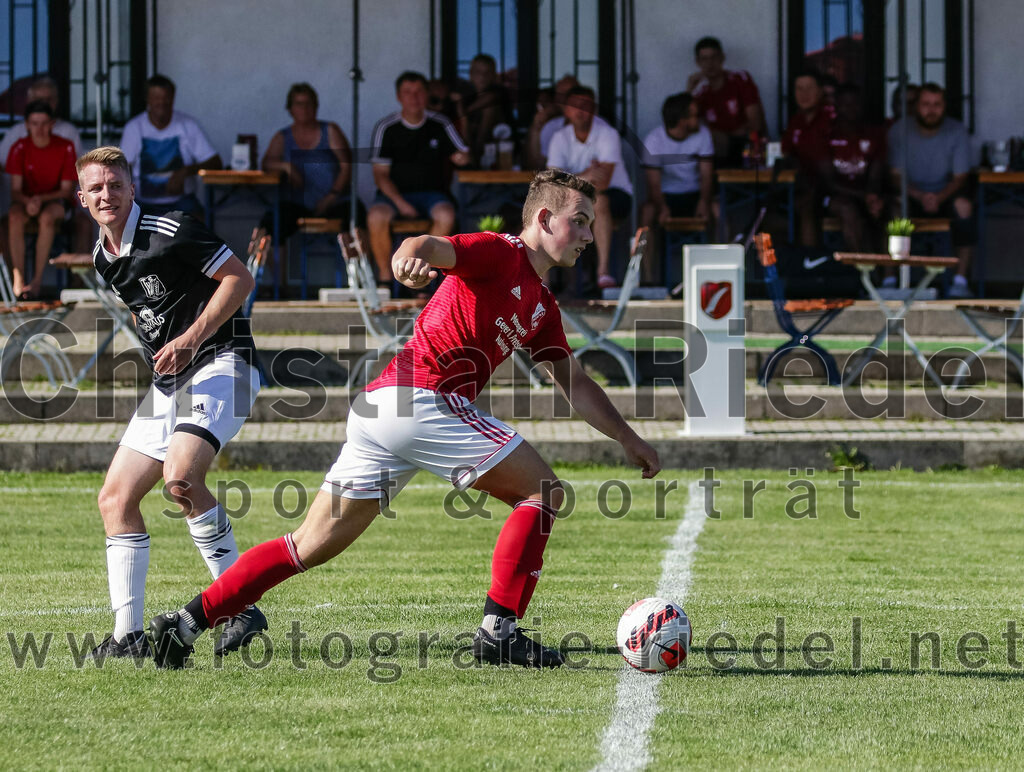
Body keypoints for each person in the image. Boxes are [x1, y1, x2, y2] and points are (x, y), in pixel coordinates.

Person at [148, 169, 661, 670]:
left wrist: (628, 437)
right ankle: (499, 634)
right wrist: (406, 259)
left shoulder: (542, 303)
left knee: (305, 545)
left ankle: (185, 623)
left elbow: (573, 382)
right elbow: (424, 246)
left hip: (384, 408)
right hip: (419, 398)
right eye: (581, 221)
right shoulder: (499, 251)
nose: (590, 236)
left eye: (592, 224)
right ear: (545, 218)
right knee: (542, 491)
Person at [74, 146, 266, 660]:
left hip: (225, 362)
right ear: (82, 198)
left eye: (115, 184)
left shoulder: (171, 228)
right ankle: (127, 639)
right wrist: (162, 344)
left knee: (180, 478)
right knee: (115, 499)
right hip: (171, 383)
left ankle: (241, 606)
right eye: (96, 188)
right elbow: (147, 308)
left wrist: (189, 337)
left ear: (132, 188)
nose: (107, 195)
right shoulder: (102, 255)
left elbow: (239, 279)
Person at [367, 71, 470, 283]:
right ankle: (387, 279)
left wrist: (461, 157)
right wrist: (401, 203)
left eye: (419, 92)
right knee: (376, 216)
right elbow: (380, 176)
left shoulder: (440, 123)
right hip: (393, 197)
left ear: (427, 95)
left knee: (446, 215)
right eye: (407, 92)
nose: (414, 98)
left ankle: (422, 276)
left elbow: (463, 154)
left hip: (433, 194)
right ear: (398, 97)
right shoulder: (386, 128)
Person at [888, 82, 974, 297]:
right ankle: (890, 279)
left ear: (945, 106)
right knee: (892, 209)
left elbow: (960, 177)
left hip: (945, 194)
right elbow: (896, 176)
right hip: (911, 195)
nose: (931, 110)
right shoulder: (899, 130)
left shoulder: (956, 130)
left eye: (937, 104)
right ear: (916, 105)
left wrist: (938, 197)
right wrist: (919, 195)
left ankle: (960, 281)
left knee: (964, 208)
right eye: (926, 104)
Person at [547, 85, 633, 290]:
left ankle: (603, 272)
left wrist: (568, 178)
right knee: (546, 209)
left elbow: (602, 183)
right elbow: (551, 184)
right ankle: (545, 282)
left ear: (594, 109)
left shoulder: (607, 133)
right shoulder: (560, 137)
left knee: (600, 200)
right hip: (573, 198)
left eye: (585, 105)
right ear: (565, 110)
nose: (580, 111)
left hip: (616, 196)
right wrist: (586, 174)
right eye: (574, 106)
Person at [258, 83, 365, 245]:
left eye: (309, 103)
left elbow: (347, 165)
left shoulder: (330, 131)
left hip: (335, 201)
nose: (304, 108)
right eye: (299, 104)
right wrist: (287, 166)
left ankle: (359, 269)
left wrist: (332, 196)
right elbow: (266, 163)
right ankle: (275, 271)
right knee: (270, 226)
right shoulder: (283, 137)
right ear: (290, 109)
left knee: (358, 218)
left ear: (316, 106)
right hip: (299, 205)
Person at [120, 74, 222, 217]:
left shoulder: (188, 125)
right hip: (142, 203)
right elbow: (122, 168)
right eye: (156, 98)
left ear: (173, 98)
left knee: (199, 225)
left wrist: (185, 171)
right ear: (147, 99)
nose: (162, 102)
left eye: (166, 98)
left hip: (182, 202)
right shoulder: (134, 128)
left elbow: (215, 162)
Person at [4, 100, 76, 299]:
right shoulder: (19, 147)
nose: (39, 129)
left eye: (44, 123)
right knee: (14, 216)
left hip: (56, 203)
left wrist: (38, 200)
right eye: (34, 123)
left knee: (47, 217)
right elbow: (15, 191)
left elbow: (66, 190)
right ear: (26, 124)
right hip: (27, 202)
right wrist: (29, 202)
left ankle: (36, 282)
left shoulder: (66, 147)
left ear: (52, 124)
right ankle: (18, 279)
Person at [640, 92, 713, 283]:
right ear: (682, 120)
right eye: (694, 115)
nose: (699, 119)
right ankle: (648, 280)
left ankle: (717, 274)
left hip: (694, 195)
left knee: (718, 211)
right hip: (666, 197)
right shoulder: (654, 140)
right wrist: (662, 207)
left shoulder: (703, 134)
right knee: (647, 213)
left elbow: (706, 175)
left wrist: (704, 202)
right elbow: (653, 183)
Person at [822, 84, 886, 253]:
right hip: (835, 198)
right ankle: (859, 270)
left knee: (888, 210)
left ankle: (888, 275)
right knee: (848, 209)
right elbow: (828, 183)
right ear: (836, 107)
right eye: (846, 104)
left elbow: (875, 176)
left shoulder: (873, 135)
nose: (851, 109)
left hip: (866, 196)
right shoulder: (827, 135)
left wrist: (872, 197)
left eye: (855, 104)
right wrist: (864, 197)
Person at [686, 36, 766, 166]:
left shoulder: (740, 79)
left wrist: (722, 136)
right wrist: (689, 90)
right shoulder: (701, 94)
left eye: (714, 57)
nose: (710, 63)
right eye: (704, 59)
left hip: (748, 148)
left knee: (714, 139)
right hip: (719, 154)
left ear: (722, 58)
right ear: (697, 62)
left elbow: (755, 124)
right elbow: (685, 125)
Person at [782, 69, 834, 246]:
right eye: (799, 88)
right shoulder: (795, 121)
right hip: (798, 184)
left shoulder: (832, 118)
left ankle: (809, 263)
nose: (804, 94)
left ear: (821, 91)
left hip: (831, 186)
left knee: (806, 203)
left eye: (809, 88)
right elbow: (785, 153)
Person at [460, 54, 513, 167]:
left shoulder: (500, 91)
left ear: (494, 75)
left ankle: (477, 156)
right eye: (478, 72)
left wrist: (465, 111)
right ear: (471, 74)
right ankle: (471, 158)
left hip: (499, 143)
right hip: (468, 142)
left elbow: (491, 98)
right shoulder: (465, 92)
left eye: (487, 72)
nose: (482, 76)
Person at [524, 74, 579, 170]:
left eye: (567, 94)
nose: (563, 99)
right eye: (559, 94)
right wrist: (536, 127)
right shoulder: (552, 126)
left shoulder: (598, 124)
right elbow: (536, 166)